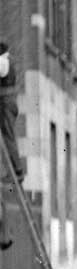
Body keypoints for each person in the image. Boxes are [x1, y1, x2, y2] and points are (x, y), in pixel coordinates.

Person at [0, 42, 25, 182]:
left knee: (8, 136)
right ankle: (16, 170)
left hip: (5, 104)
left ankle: (17, 170)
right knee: (8, 136)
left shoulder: (2, 61)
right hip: (9, 103)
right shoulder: (9, 60)